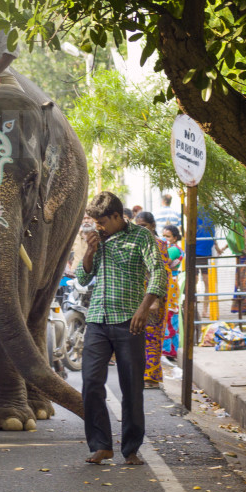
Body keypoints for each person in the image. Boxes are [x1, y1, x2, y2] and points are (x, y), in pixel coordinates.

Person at [76, 191, 166, 467]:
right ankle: (101, 445)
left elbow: (159, 273)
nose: (98, 227)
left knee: (131, 387)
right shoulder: (96, 240)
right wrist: (90, 250)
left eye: (101, 222)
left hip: (129, 320)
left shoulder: (141, 237)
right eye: (94, 222)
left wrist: (143, 308)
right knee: (91, 383)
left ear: (117, 217)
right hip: (97, 321)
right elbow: (83, 277)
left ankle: (131, 448)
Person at [133, 211, 170, 389]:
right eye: (138, 226)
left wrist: (155, 299)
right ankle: (140, 374)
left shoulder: (160, 244)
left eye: (144, 226)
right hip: (137, 296)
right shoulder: (135, 243)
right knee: (138, 335)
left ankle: (151, 377)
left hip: (155, 297)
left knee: (153, 336)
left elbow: (159, 273)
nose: (141, 229)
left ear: (152, 226)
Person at [161, 225, 182, 361]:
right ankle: (170, 349)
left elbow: (163, 262)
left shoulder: (173, 250)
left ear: (175, 238)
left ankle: (168, 349)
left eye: (168, 236)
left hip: (171, 284)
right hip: (170, 282)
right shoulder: (172, 248)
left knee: (168, 314)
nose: (165, 239)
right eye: (164, 236)